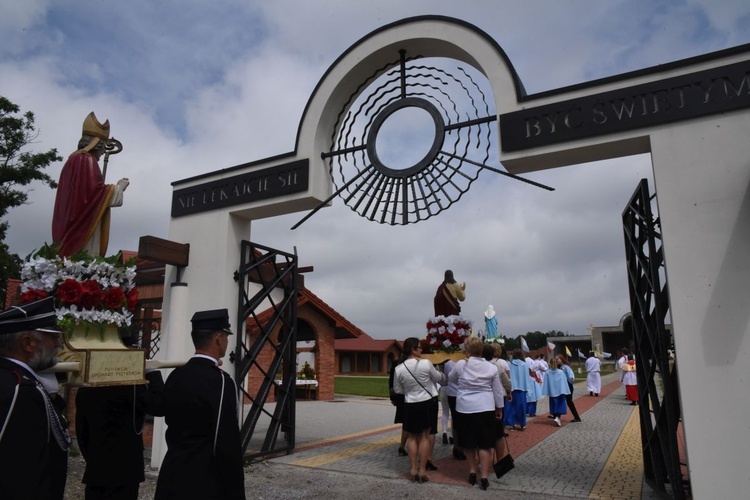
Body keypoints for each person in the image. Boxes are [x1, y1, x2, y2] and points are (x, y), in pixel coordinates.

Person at [154, 309, 246, 500]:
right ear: (219, 338)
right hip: (204, 480)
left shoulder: (176, 375)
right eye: (227, 337)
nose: (227, 342)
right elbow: (226, 441)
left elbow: (161, 410)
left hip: (171, 475)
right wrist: (236, 491)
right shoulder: (221, 382)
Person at [0, 297, 71, 499]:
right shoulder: (23, 391)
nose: (58, 343)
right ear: (28, 343)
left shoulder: (13, 378)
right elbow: (21, 471)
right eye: (52, 336)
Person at [76, 355, 166, 499]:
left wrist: (94, 459)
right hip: (126, 471)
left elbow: (82, 433)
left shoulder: (87, 388)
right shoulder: (132, 388)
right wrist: (153, 373)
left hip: (98, 469)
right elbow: (160, 406)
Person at [52, 112, 130, 257]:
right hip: (82, 223)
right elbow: (92, 195)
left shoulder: (72, 161)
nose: (102, 154)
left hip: (69, 221)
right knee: (85, 257)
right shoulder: (87, 161)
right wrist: (119, 188)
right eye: (102, 149)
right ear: (96, 145)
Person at [449, 339, 504, 491]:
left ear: (467, 351)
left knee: (469, 442)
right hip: (485, 407)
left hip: (465, 407)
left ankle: (472, 471)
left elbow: (451, 379)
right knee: (485, 444)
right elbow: (497, 390)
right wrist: (499, 407)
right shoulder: (491, 367)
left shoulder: (461, 365)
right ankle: (484, 476)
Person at [392, 337, 445, 483]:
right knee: (424, 436)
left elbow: (397, 389)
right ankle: (422, 470)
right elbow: (437, 378)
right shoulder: (426, 363)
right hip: (426, 402)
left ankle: (413, 468)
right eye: (420, 347)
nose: (422, 350)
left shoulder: (399, 368)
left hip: (410, 403)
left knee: (412, 437)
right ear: (413, 349)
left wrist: (410, 391)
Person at [442, 357, 467, 460]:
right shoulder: (463, 362)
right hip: (460, 393)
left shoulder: (448, 363)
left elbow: (449, 377)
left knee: (452, 416)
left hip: (451, 391)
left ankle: (446, 433)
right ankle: (459, 445)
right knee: (460, 420)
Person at [506, 348, 533, 431]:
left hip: (512, 388)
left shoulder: (510, 364)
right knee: (521, 407)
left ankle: (512, 423)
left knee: (512, 407)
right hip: (522, 388)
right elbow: (526, 377)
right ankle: (522, 423)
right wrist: (528, 388)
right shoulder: (524, 365)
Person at [542, 357, 570, 427]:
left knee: (553, 404)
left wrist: (547, 390)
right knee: (560, 405)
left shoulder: (548, 372)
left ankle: (555, 416)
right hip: (560, 391)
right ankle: (557, 417)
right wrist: (565, 390)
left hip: (552, 391)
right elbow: (564, 382)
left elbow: (546, 382)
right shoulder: (560, 372)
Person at [388, 356, 408, 456]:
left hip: (399, 396)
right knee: (410, 423)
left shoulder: (396, 363)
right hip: (409, 396)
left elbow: (391, 381)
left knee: (405, 422)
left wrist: (392, 397)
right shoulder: (411, 363)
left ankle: (402, 445)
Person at [557, 355, 582, 422]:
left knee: (569, 401)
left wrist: (572, 378)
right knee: (561, 400)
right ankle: (557, 416)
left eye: (558, 359)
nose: (557, 360)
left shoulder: (565, 367)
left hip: (568, 385)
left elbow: (570, 374)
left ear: (562, 359)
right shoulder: (559, 367)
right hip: (562, 386)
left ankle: (577, 417)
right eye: (556, 359)